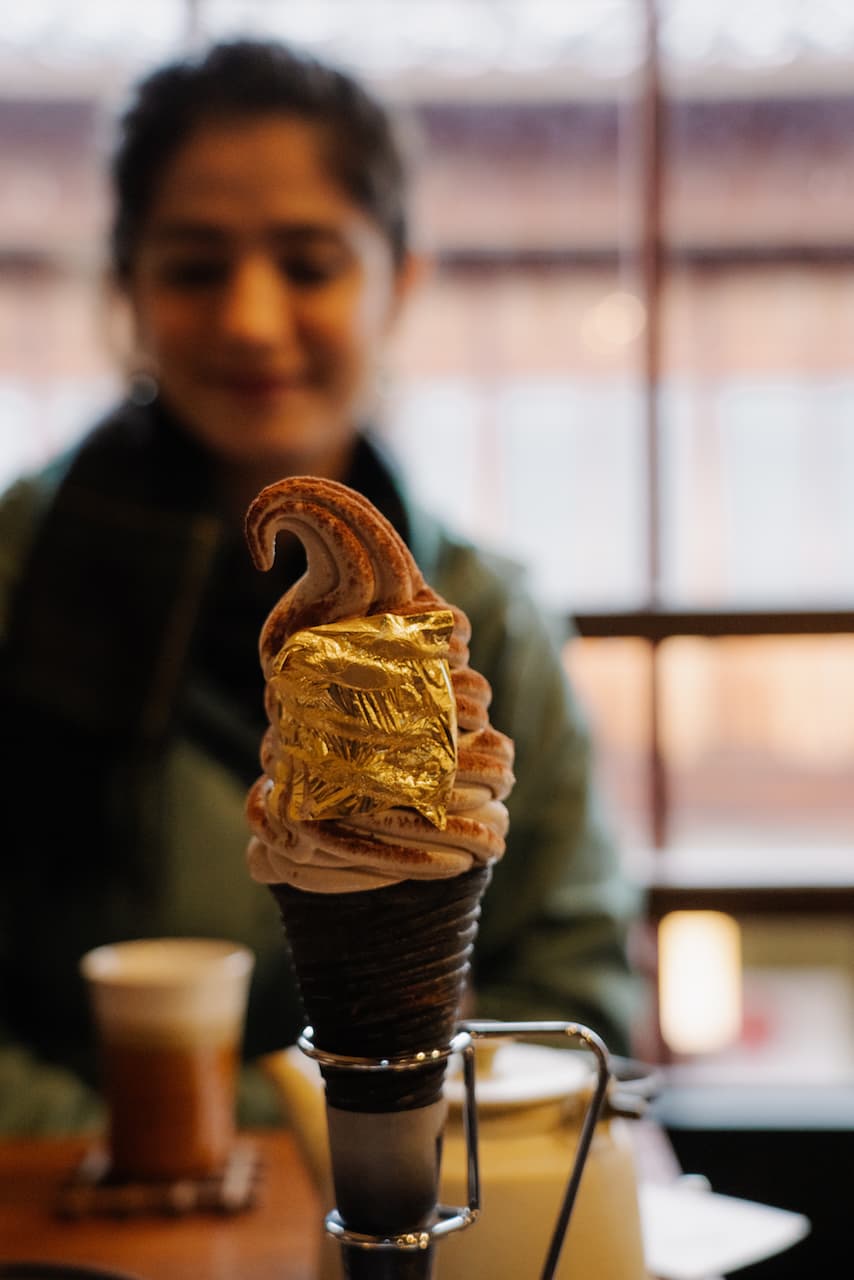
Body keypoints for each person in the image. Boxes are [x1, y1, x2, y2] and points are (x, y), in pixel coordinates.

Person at [0, 38, 641, 1135]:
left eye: (307, 262)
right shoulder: (18, 575)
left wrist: (247, 1116)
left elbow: (572, 993)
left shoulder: (481, 617)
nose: (251, 319)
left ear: (398, 281)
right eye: (195, 266)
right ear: (127, 287)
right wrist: (142, 1144)